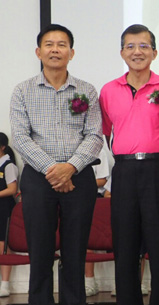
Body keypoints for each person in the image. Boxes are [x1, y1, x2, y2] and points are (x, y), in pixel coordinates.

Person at [9, 24, 103, 305]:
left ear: (71, 53)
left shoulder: (87, 90)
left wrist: (70, 167)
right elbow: (21, 138)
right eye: (49, 44)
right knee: (40, 249)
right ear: (38, 51)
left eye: (62, 44)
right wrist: (53, 169)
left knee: (76, 250)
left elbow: (95, 135)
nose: (55, 49)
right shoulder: (22, 91)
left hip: (79, 176)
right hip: (39, 179)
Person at [99, 24, 159, 305]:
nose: (137, 52)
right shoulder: (108, 90)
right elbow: (107, 133)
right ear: (122, 52)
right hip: (125, 171)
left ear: (154, 53)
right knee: (125, 244)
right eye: (130, 46)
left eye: (144, 46)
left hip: (158, 169)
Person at [84, 147, 110, 297]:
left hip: (94, 198)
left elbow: (102, 179)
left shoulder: (97, 150)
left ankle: (90, 282)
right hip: (70, 197)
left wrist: (80, 183)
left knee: (90, 240)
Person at [0, 132, 18, 298]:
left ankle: (5, 284)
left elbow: (12, 189)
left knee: (4, 246)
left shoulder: (8, 165)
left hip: (5, 208)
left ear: (3, 146)